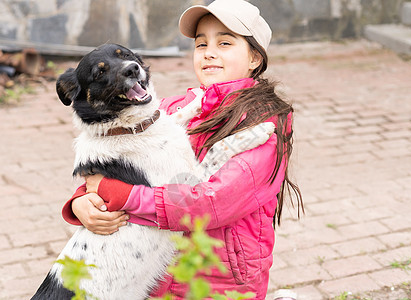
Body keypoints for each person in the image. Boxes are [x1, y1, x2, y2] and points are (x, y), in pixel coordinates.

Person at [61, 0, 302, 298]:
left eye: (224, 42)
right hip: (159, 280)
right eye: (201, 44)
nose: (209, 52)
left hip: (220, 281)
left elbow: (211, 203)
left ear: (254, 58)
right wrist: (82, 203)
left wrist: (124, 196)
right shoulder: (173, 108)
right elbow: (118, 165)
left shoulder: (264, 125)